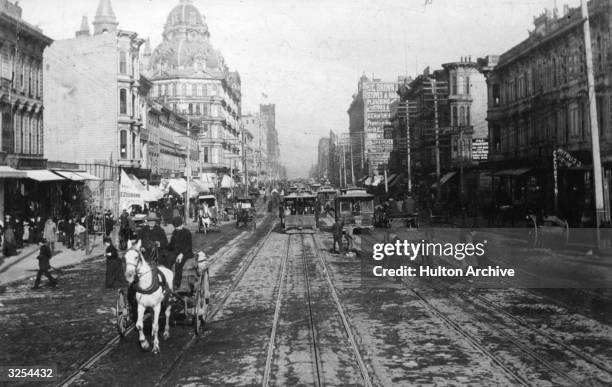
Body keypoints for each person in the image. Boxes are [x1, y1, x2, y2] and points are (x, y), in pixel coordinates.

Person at [167, 216, 193, 290]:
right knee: (168, 260)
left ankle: (177, 284)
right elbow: (171, 245)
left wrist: (182, 254)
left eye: (177, 226)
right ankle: (168, 280)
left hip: (186, 253)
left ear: (182, 225)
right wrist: (164, 247)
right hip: (176, 252)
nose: (176, 228)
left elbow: (188, 246)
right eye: (175, 226)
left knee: (178, 264)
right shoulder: (175, 232)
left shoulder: (187, 233)